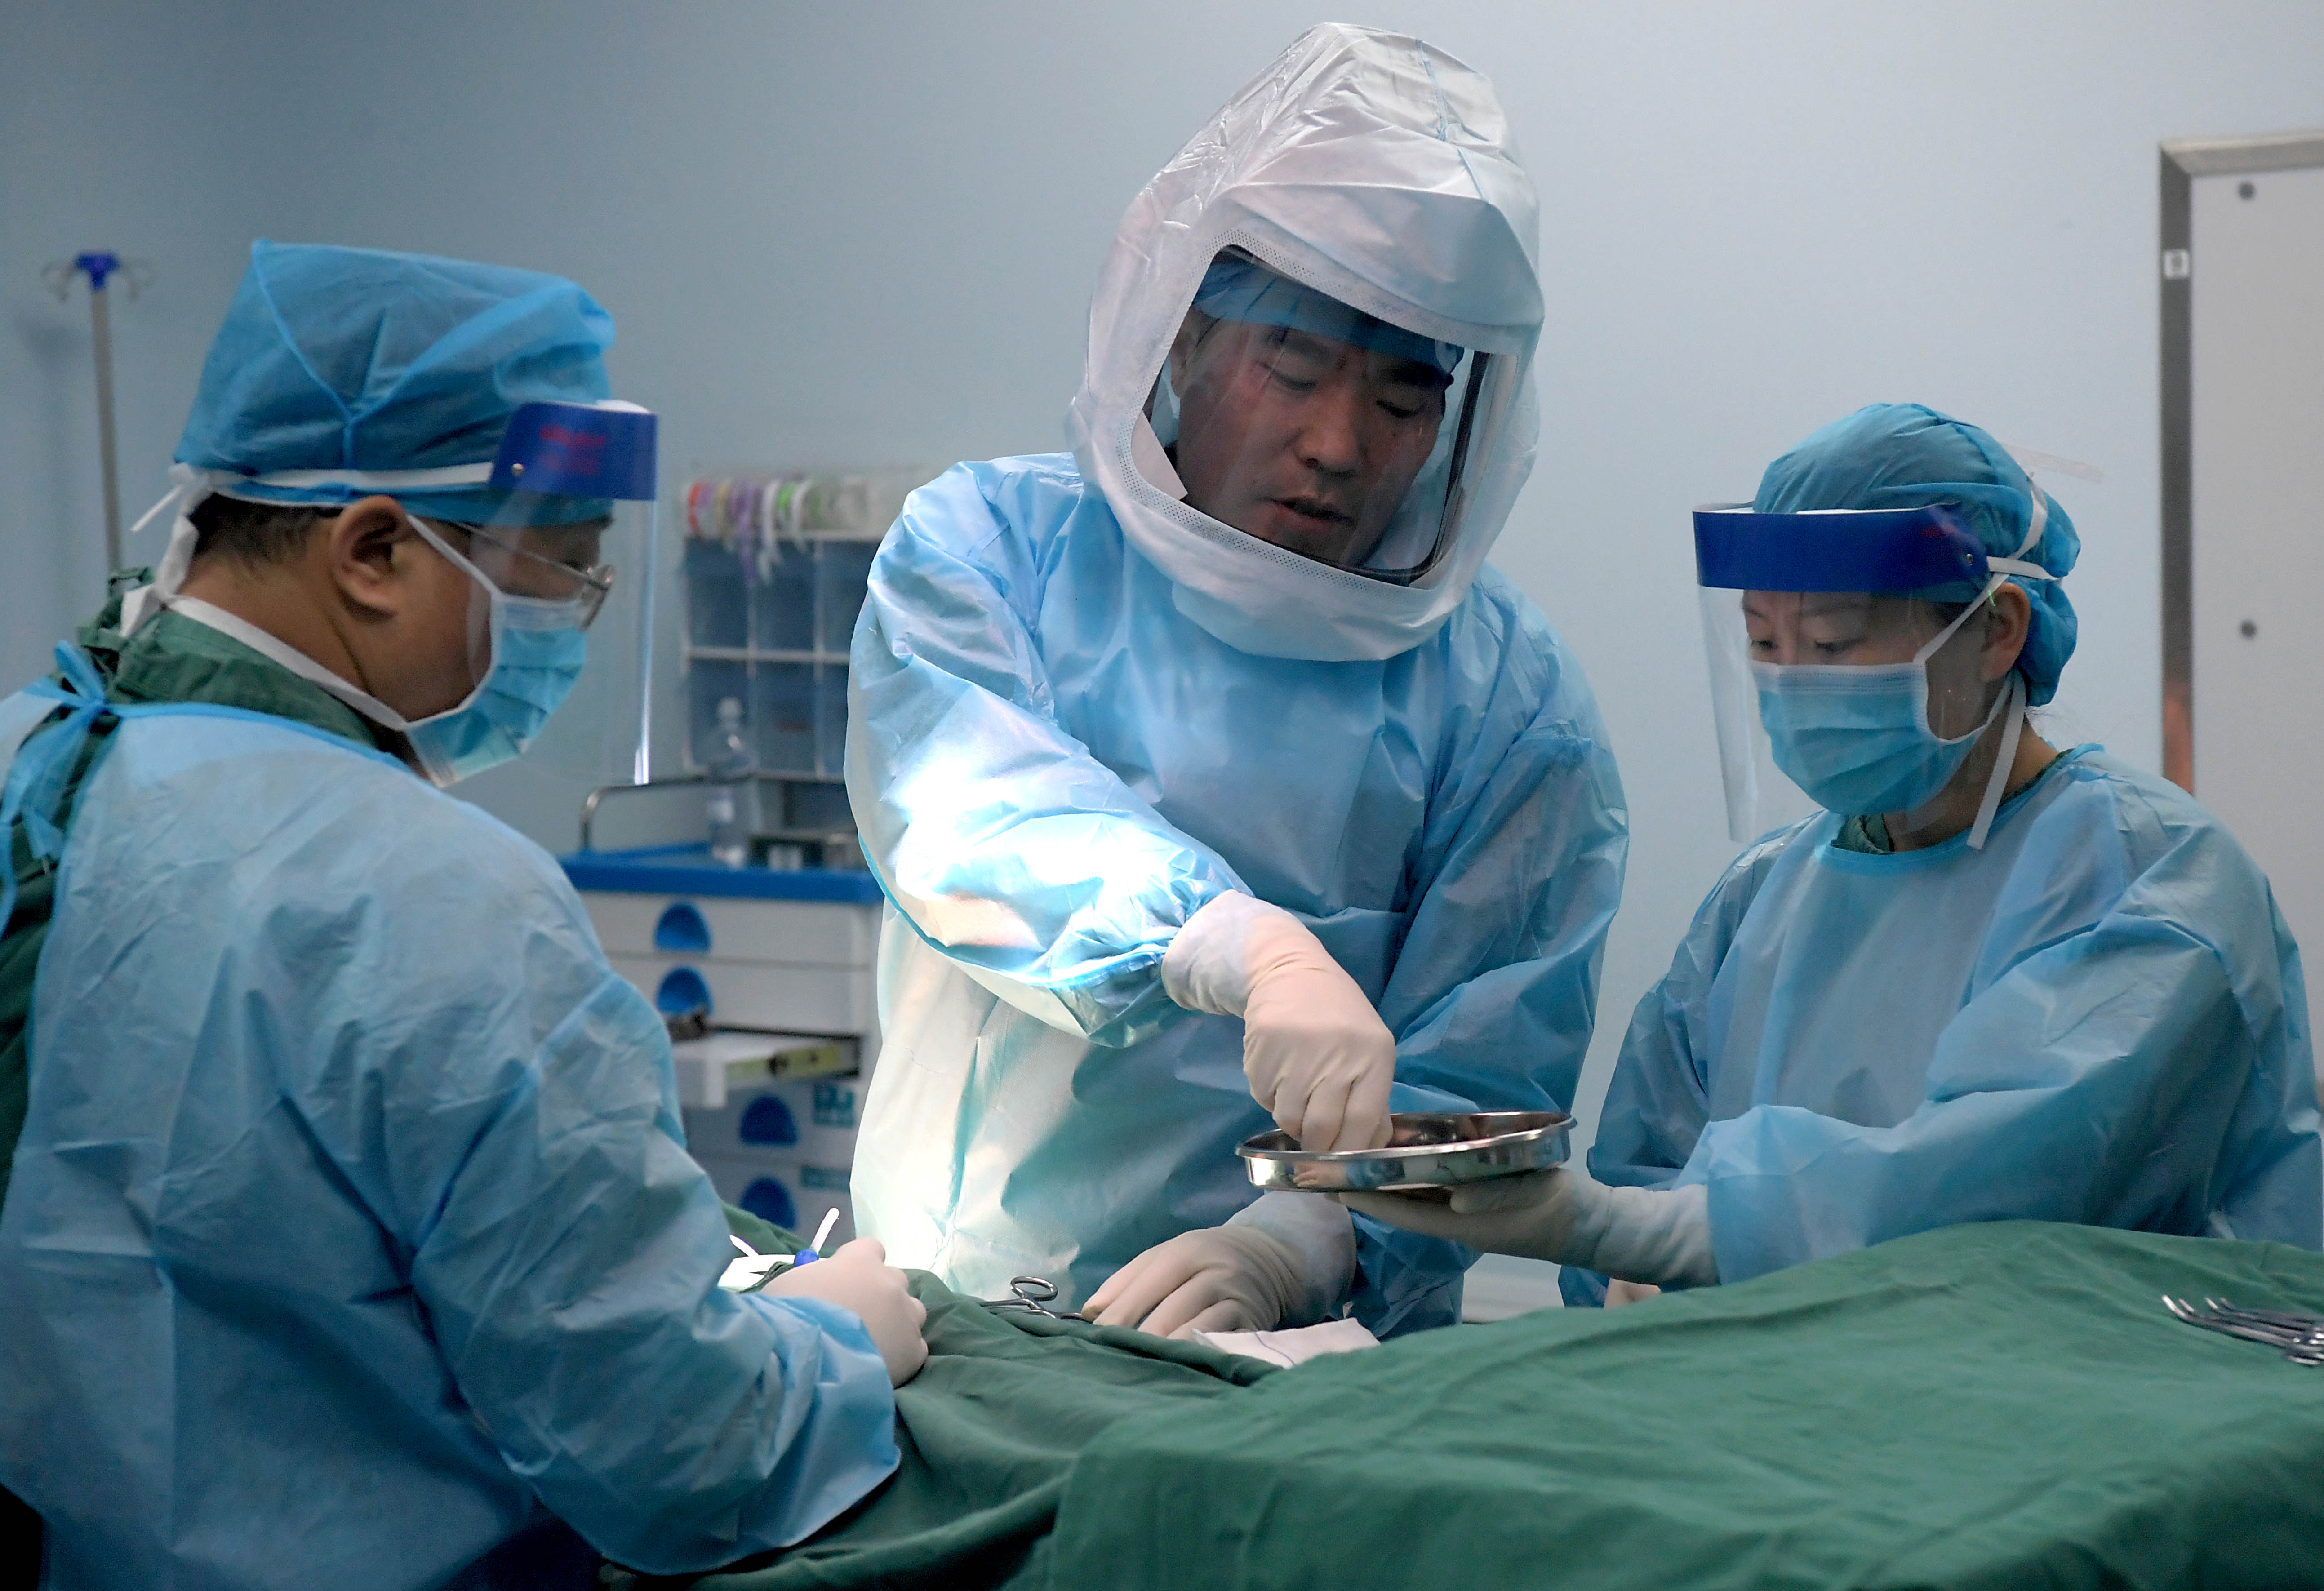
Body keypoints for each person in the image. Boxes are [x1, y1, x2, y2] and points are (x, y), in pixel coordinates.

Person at [0, 242, 927, 1591]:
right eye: (562, 568)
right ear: (376, 550)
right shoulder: (432, 897)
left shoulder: (28, 760)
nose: (571, 621)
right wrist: (829, 1343)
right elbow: (676, 1450)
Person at [846, 24, 1626, 1340]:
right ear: (1186, 341)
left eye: (1400, 400)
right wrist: (1237, 942)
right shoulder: (986, 554)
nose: (1337, 444)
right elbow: (976, 820)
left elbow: (1484, 1056)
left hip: (1301, 1353)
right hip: (963, 1302)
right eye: (1294, 368)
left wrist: (1308, 1240)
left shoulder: (1510, 701)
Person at [1342, 403, 2321, 1296]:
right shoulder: (1761, 901)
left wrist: (1647, 1231)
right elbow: (1651, 1169)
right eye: (1765, 645)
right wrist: (1632, 1274)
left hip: (2086, 1401)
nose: (1792, 682)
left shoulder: (2153, 882)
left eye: (1834, 643)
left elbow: (2003, 1181)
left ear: (1995, 632)